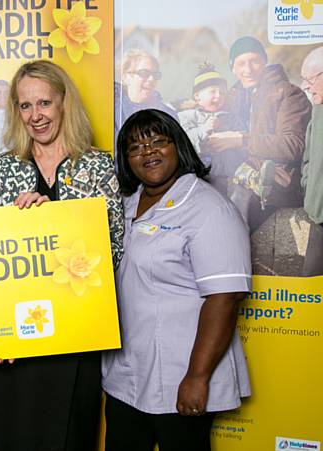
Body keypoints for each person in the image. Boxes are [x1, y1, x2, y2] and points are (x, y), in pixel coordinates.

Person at [0, 60, 124, 451]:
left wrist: (52, 224)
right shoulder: (2, 169)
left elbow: (115, 252)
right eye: (25, 106)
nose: (35, 115)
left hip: (74, 336)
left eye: (44, 103)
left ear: (64, 103)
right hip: (12, 344)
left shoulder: (98, 166)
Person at [103, 109, 252, 451]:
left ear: (178, 146)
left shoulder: (209, 209)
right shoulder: (126, 204)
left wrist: (197, 378)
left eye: (158, 141)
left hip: (180, 375)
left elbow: (224, 298)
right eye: (135, 147)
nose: (148, 152)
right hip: (126, 375)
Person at [206, 36, 311, 230]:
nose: (248, 69)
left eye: (254, 61)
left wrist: (241, 140)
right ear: (232, 68)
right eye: (241, 63)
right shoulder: (235, 95)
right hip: (236, 173)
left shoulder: (288, 94)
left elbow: (293, 145)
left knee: (236, 210)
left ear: (264, 61)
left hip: (275, 180)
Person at [178, 62, 245, 196]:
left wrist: (225, 129)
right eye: (212, 91)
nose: (218, 96)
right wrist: (203, 129)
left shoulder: (230, 117)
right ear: (197, 96)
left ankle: (252, 178)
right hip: (200, 172)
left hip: (226, 173)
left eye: (222, 93)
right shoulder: (187, 116)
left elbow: (242, 134)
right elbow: (183, 140)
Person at [115, 48, 177, 136]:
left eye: (155, 75)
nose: (151, 79)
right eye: (144, 73)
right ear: (125, 77)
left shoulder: (168, 115)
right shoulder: (113, 112)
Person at [300, 46, 323, 276]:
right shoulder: (317, 113)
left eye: (310, 79)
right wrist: (312, 193)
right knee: (311, 287)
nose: (305, 86)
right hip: (318, 217)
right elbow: (306, 161)